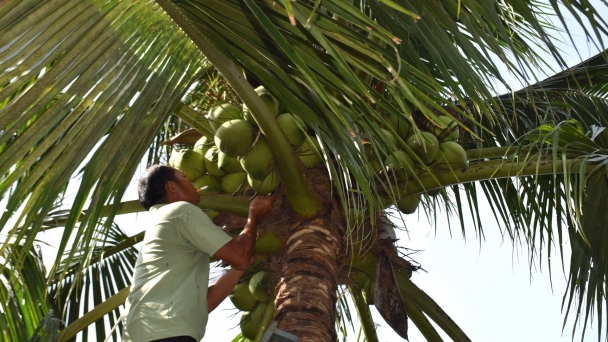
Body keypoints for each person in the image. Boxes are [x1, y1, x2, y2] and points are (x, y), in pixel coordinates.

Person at [121, 165, 274, 342]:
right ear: (171, 187)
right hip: (166, 334)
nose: (192, 183)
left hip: (150, 333)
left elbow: (204, 304)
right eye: (184, 177)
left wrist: (240, 268)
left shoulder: (162, 222)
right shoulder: (179, 211)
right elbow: (239, 255)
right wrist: (253, 216)